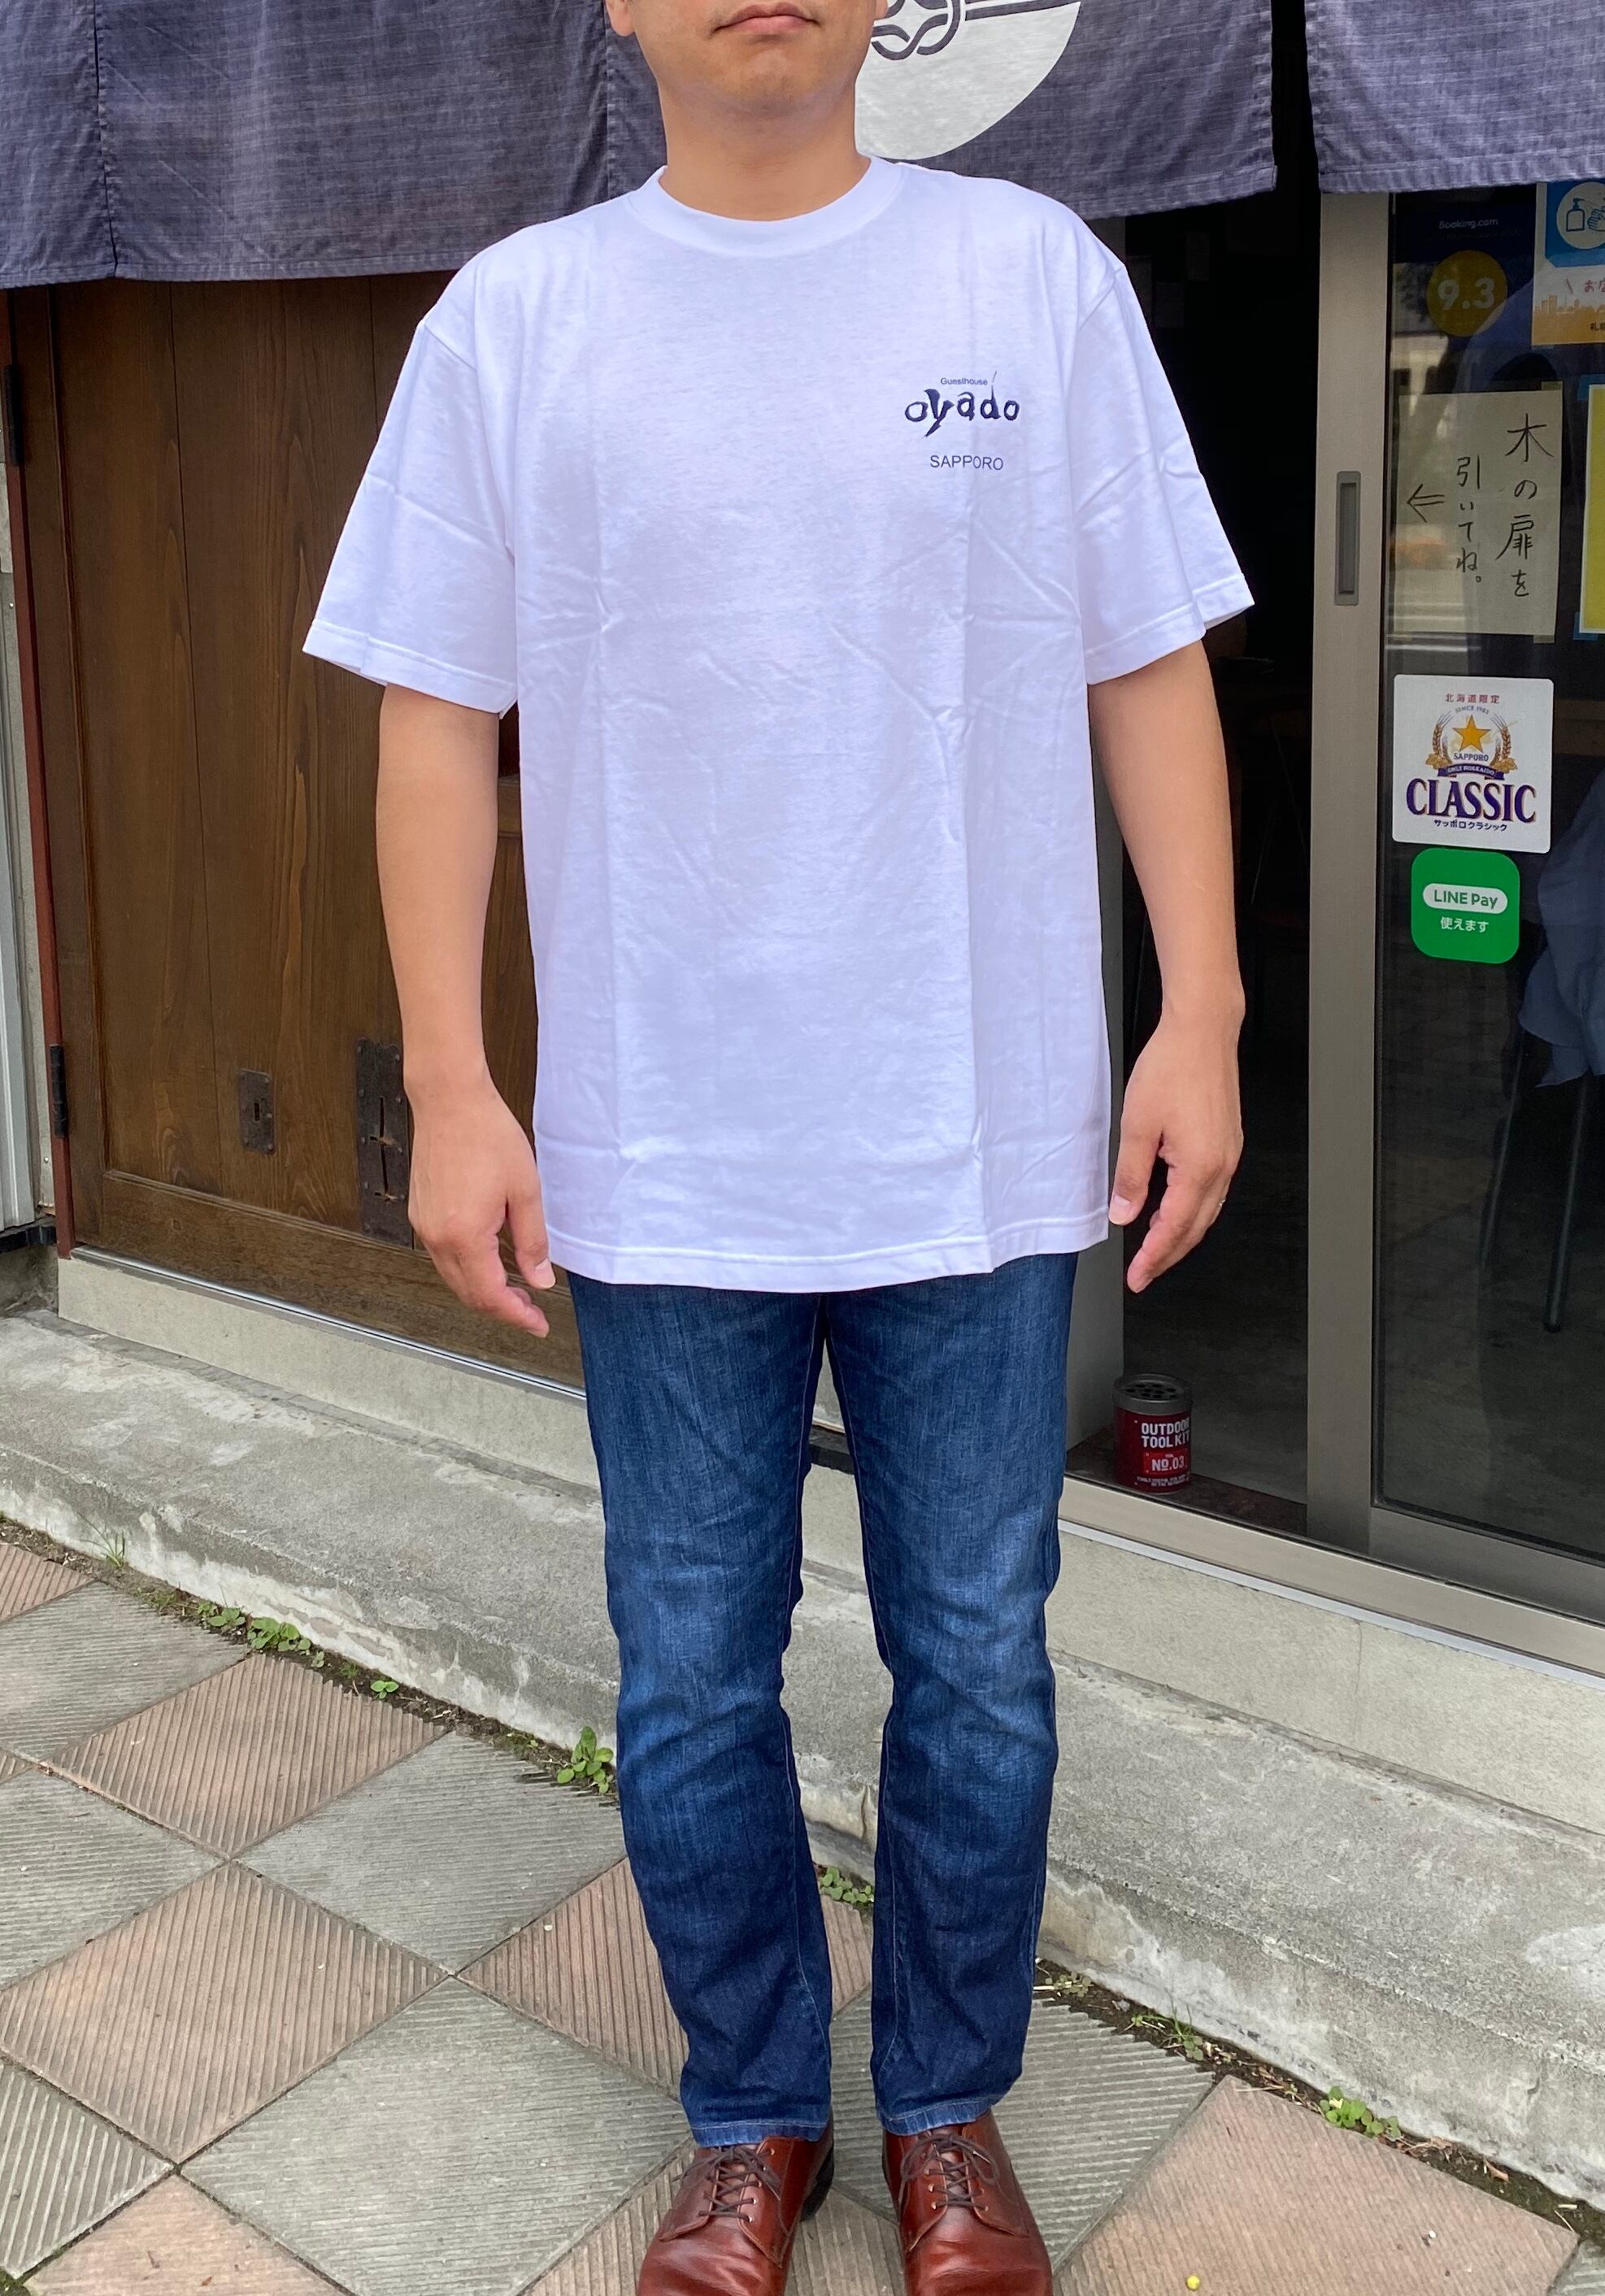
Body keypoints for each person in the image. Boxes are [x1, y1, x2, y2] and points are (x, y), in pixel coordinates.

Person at [305, 3, 1247, 2288]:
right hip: (666, 1147)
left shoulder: (1029, 280)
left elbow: (1146, 659)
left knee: (981, 1657)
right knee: (692, 1674)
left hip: (976, 1132)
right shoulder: (518, 321)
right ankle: (751, 2118)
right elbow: (436, 722)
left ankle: (945, 2113)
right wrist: (456, 1083)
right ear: (617, 4)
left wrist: (1204, 1009)